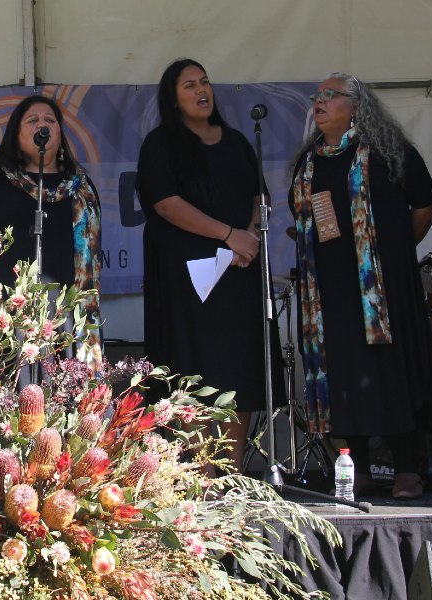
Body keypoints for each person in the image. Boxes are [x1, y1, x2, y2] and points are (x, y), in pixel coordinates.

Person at [289, 72, 432, 499]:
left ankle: (408, 467)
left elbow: (425, 203)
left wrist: (393, 251)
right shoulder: (310, 162)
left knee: (390, 371)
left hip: (382, 292)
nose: (319, 101)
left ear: (356, 105)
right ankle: (355, 469)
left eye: (330, 95)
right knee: (342, 374)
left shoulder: (389, 153)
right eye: (316, 95)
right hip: (330, 292)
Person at [135, 59, 282, 473]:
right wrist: (228, 234)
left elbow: (259, 196)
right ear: (173, 98)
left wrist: (248, 236)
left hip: (240, 270)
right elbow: (166, 204)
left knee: (241, 367)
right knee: (197, 368)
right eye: (189, 85)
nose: (201, 90)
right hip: (189, 278)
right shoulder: (161, 144)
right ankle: (199, 471)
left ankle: (230, 471)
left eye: (204, 82)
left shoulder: (236, 141)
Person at [0, 95, 102, 367]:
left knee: (64, 389)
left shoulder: (80, 185)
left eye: (50, 120)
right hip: (4, 310)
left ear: (60, 133)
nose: (43, 124)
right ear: (16, 134)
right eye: (33, 120)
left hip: (66, 312)